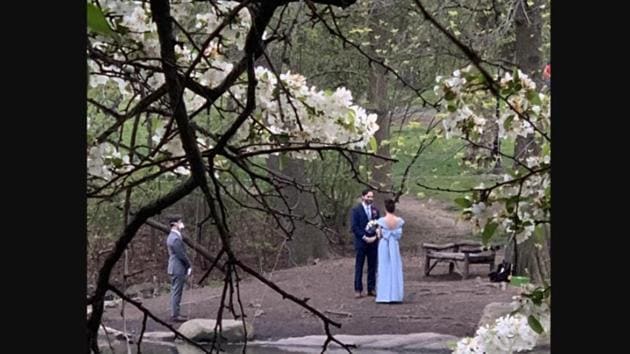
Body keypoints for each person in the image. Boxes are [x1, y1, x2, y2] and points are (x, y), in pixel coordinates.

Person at [350, 189, 380, 298]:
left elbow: (379, 224)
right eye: (368, 196)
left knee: (372, 265)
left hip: (373, 242)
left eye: (372, 197)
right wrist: (364, 237)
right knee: (359, 265)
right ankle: (358, 289)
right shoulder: (356, 210)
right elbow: (354, 227)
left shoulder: (375, 210)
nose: (370, 199)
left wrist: (376, 236)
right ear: (363, 197)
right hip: (361, 242)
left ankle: (371, 288)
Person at [374, 199, 404, 303]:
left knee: (384, 267)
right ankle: (395, 294)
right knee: (394, 267)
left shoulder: (382, 221)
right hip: (394, 245)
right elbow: (399, 235)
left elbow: (380, 235)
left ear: (385, 208)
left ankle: (384, 295)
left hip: (384, 245)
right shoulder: (399, 221)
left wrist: (378, 232)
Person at [166, 216, 192, 322]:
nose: (182, 224)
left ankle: (175, 313)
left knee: (175, 291)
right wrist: (188, 265)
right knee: (177, 291)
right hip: (178, 268)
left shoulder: (172, 236)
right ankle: (175, 315)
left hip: (174, 267)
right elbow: (181, 254)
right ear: (175, 224)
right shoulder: (175, 238)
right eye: (180, 222)